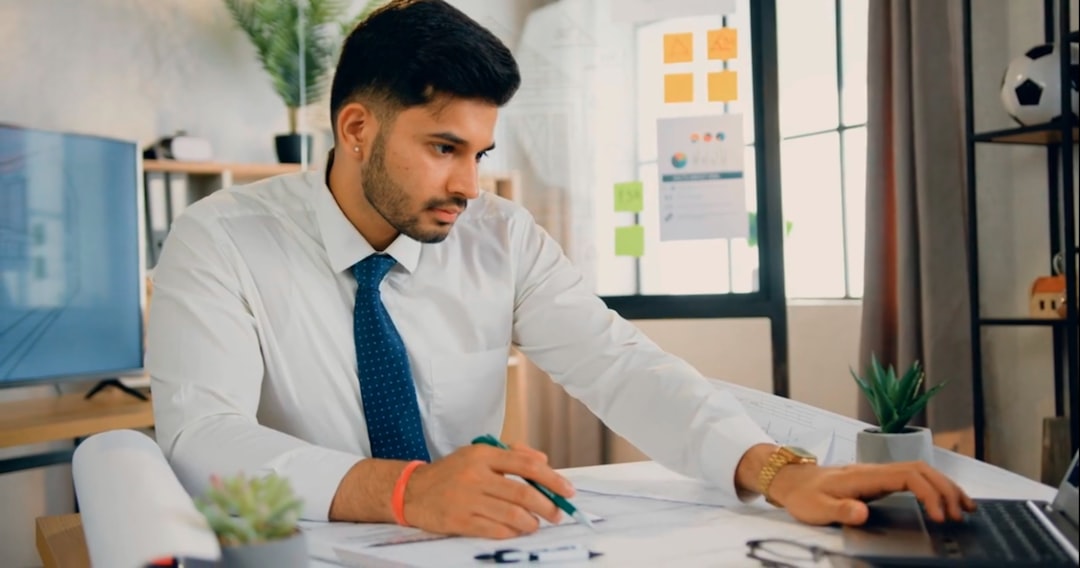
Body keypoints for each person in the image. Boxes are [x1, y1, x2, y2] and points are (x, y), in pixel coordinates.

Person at [147, 0, 975, 540]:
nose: (469, 185)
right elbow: (200, 437)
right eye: (443, 149)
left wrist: (775, 470)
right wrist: (406, 491)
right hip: (299, 552)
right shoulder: (218, 242)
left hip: (470, 551)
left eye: (480, 153)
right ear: (357, 126)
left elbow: (619, 366)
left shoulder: (499, 236)